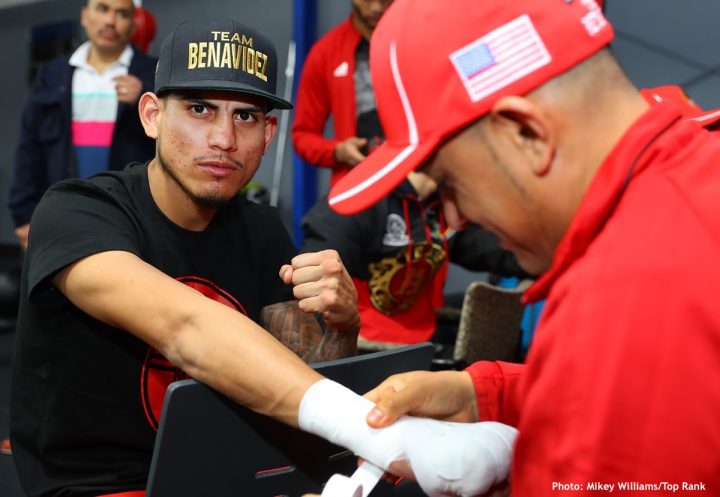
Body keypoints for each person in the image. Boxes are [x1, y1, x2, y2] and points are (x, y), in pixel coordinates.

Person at [9, 18, 518, 497]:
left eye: (245, 117)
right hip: (101, 485)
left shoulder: (260, 231)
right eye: (199, 109)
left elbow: (301, 381)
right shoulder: (78, 212)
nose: (223, 140)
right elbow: (184, 326)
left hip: (228, 474)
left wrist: (339, 323)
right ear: (152, 115)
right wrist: (377, 434)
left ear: (268, 135)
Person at [326, 0, 720, 493]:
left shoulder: (628, 294)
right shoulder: (693, 181)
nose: (452, 218)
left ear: (526, 133)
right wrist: (485, 394)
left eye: (448, 183)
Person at [301, 171, 528, 345]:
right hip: (367, 345)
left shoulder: (442, 206)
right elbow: (314, 287)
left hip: (422, 343)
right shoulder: (363, 196)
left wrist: (550, 255)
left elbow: (496, 251)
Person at [7, 0, 157, 250]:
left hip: (131, 217)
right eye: (102, 9)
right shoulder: (52, 74)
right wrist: (23, 216)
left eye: (121, 13)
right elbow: (29, 147)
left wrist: (145, 94)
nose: (110, 20)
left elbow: (173, 143)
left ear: (133, 24)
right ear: (85, 16)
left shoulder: (154, 74)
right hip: (59, 214)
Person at [291, 0, 393, 187]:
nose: (377, 7)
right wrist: (337, 151)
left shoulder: (416, 39)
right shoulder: (326, 52)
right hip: (357, 183)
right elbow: (303, 135)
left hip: (417, 182)